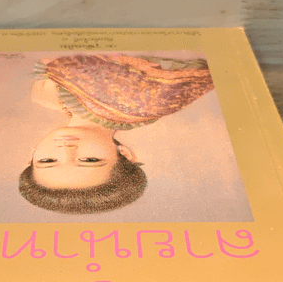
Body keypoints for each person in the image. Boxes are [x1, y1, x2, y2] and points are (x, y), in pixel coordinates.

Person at [19, 53, 214, 214]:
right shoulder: (147, 102)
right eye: (89, 160)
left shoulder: (43, 97)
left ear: (32, 155)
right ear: (125, 155)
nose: (65, 150)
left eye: (48, 161)